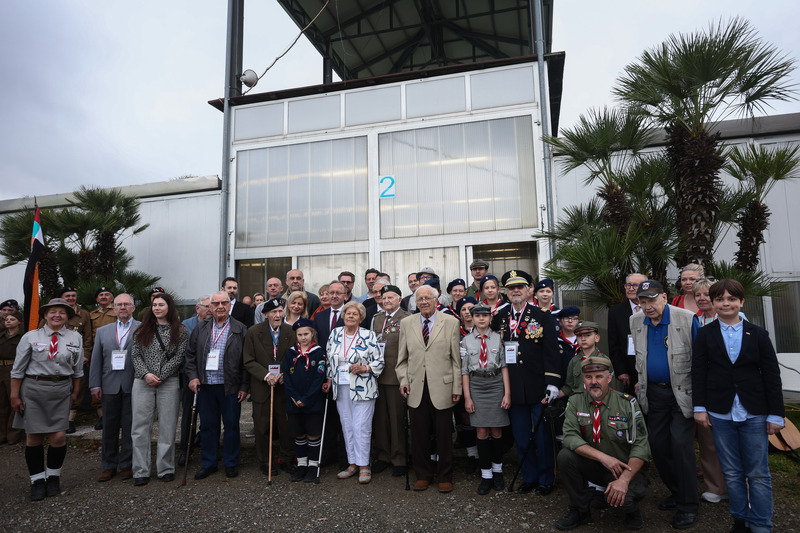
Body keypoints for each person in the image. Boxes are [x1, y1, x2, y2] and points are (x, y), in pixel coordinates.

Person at [692, 279, 784, 533]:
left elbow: (772, 375)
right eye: (720, 299)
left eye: (731, 299)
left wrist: (776, 414)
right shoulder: (704, 334)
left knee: (758, 473)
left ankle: (762, 523)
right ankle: (740, 519)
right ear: (713, 303)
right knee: (731, 471)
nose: (726, 303)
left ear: (741, 302)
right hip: (720, 413)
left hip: (755, 411)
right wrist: (699, 408)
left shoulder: (758, 334)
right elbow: (698, 372)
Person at [631, 279, 699, 529]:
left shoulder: (687, 318)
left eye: (652, 299)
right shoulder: (636, 320)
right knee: (657, 447)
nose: (647, 306)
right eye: (642, 301)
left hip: (682, 394)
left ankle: (689, 506)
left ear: (664, 297)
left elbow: (700, 360)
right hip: (654, 395)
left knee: (681, 446)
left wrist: (701, 401)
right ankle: (677, 491)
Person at [556, 354, 650, 531]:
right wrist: (603, 458)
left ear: (609, 377)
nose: (594, 382)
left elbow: (641, 445)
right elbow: (569, 436)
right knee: (565, 456)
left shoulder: (627, 403)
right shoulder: (576, 402)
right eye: (588, 377)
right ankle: (580, 510)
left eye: (599, 376)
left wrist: (624, 480)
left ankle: (632, 510)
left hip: (624, 468)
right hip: (597, 464)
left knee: (624, 501)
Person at [492, 270, 560, 495]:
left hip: (538, 384)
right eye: (511, 288)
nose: (515, 291)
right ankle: (529, 476)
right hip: (512, 387)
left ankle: (546, 479)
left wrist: (552, 382)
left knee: (542, 436)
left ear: (529, 289)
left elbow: (551, 351)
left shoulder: (542, 315)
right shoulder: (500, 316)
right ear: (506, 291)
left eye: (520, 287)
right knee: (521, 436)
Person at [10, 298, 83, 500]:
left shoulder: (75, 337)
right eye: (53, 312)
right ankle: (37, 480)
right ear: (45, 315)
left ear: (67, 316)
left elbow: (78, 369)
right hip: (34, 389)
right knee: (33, 436)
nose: (57, 315)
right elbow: (17, 370)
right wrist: (14, 395)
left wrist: (75, 391)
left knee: (58, 437)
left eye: (62, 312)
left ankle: (53, 477)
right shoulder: (31, 337)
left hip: (61, 389)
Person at [397, 284, 462, 493]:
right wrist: (403, 381)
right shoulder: (407, 323)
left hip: (443, 386)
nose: (424, 302)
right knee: (419, 434)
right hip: (416, 386)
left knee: (444, 435)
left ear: (437, 300)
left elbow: (455, 359)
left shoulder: (451, 322)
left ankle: (445, 476)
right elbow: (402, 360)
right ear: (416, 303)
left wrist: (457, 387)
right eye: (420, 299)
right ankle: (423, 474)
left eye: (428, 298)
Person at [185, 291, 248, 480]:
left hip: (230, 386)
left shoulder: (240, 328)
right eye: (216, 303)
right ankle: (209, 463)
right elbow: (190, 356)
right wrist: (193, 377)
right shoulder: (201, 328)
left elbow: (246, 361)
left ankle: (230, 463)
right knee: (208, 426)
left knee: (231, 426)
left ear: (230, 305)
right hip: (205, 385)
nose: (220, 306)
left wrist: (244, 386)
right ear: (210, 307)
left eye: (224, 303)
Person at [130, 293, 188, 486]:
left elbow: (179, 357)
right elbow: (135, 355)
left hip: (168, 382)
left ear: (169, 307)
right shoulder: (141, 329)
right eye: (154, 305)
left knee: (168, 426)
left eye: (161, 305)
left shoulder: (180, 330)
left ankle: (165, 468)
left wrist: (161, 376)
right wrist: (146, 374)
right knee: (140, 427)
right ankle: (140, 470)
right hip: (142, 381)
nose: (157, 308)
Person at [323, 301, 383, 484]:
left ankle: (364, 465)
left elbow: (379, 362)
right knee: (347, 425)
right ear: (343, 316)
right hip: (341, 387)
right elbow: (329, 360)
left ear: (361, 318)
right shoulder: (335, 333)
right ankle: (352, 463)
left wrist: (364, 368)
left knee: (361, 426)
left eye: (354, 314)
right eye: (348, 313)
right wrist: (329, 380)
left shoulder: (369, 335)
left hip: (363, 387)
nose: (350, 316)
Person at [88, 293, 140, 482]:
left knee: (129, 427)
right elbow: (96, 360)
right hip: (109, 386)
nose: (123, 307)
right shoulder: (103, 331)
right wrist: (95, 384)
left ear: (133, 308)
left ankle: (126, 464)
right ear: (114, 308)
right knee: (109, 428)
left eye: (127, 304)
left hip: (133, 385)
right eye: (119, 305)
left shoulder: (142, 328)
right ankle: (108, 465)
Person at [460, 303, 510, 495]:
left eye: (485, 316)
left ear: (490, 318)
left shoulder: (498, 339)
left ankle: (497, 471)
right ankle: (486, 473)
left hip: (496, 384)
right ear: (471, 318)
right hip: (477, 386)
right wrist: (467, 398)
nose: (481, 319)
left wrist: (507, 393)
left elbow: (504, 366)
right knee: (481, 431)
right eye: (477, 316)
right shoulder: (466, 341)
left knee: (496, 431)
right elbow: (464, 371)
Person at [243, 298, 296, 476]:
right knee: (262, 426)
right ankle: (266, 461)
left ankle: (287, 458)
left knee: (286, 426)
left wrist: (284, 374)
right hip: (262, 387)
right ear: (266, 314)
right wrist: (267, 375)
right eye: (274, 312)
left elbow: (294, 357)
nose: (278, 315)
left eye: (280, 311)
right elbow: (248, 360)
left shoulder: (290, 331)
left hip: (284, 386)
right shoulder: (253, 332)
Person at [689, 277, 728, 504]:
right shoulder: (694, 320)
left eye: (706, 294)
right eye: (698, 295)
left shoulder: (736, 319)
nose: (702, 298)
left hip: (729, 386)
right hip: (704, 384)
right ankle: (716, 487)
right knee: (708, 441)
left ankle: (740, 487)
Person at [370, 285, 411, 477]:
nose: (386, 300)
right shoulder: (376, 319)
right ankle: (383, 456)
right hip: (378, 376)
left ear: (399, 299)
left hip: (396, 377)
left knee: (396, 420)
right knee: (381, 420)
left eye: (390, 297)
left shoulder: (407, 318)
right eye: (383, 297)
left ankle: (399, 458)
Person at [283, 318, 327, 483]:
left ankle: (313, 465)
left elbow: (319, 378)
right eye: (300, 334)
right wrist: (295, 397)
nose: (303, 337)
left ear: (312, 334)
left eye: (306, 334)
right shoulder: (291, 353)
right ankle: (301, 464)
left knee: (313, 434)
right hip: (294, 402)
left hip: (313, 402)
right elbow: (286, 376)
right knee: (299, 434)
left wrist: (306, 399)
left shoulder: (318, 352)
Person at [177, 295, 211, 467]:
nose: (210, 309)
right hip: (190, 376)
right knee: (189, 416)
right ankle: (185, 451)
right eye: (207, 306)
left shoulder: (215, 323)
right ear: (197, 308)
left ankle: (208, 449)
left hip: (210, 377)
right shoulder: (186, 325)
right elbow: (183, 352)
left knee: (209, 416)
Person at [82, 286, 116, 433]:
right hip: (98, 352)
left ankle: (117, 416)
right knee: (97, 382)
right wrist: (88, 355)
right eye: (100, 295)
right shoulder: (91, 314)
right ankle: (102, 416)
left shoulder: (117, 310)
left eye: (106, 294)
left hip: (115, 351)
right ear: (97, 299)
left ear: (112, 297)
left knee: (115, 382)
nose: (103, 297)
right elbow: (88, 336)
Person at [607, 273, 647, 393]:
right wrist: (621, 371)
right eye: (628, 285)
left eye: (635, 285)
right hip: (629, 371)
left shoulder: (653, 308)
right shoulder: (615, 312)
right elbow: (613, 344)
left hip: (651, 369)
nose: (631, 288)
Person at [1, 310, 25, 445]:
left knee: (14, 402)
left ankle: (13, 433)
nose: (8, 321)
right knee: (1, 403)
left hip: (14, 369)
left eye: (12, 319)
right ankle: (2, 434)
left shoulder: (22, 338)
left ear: (19, 322)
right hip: (0, 369)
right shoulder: (1, 336)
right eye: (6, 319)